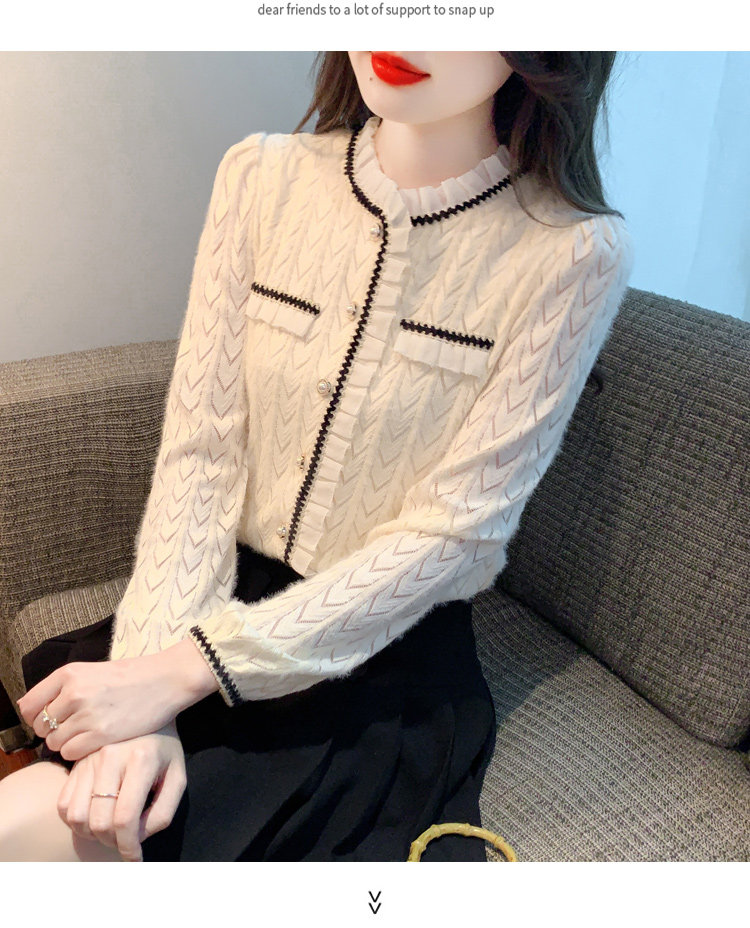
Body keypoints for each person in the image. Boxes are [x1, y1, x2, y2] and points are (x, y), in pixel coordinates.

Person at [0, 51, 634, 862]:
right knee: (40, 813)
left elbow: (456, 535)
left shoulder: (573, 252)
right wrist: (147, 682)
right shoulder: (259, 178)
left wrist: (185, 673)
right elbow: (200, 455)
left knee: (81, 833)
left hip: (381, 647)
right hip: (209, 592)